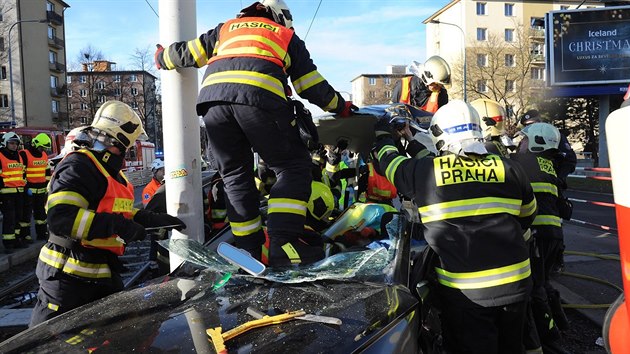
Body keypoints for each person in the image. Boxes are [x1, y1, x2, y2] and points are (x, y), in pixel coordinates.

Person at [154, 0, 354, 266]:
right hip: (259, 100)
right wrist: (342, 107)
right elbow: (310, 85)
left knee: (235, 176)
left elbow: (188, 53)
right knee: (292, 167)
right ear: (281, 16)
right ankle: (283, 244)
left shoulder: (226, 29)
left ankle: (249, 250)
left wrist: (160, 57)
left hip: (212, 104)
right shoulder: (285, 35)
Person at [374, 100, 537, 354]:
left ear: (440, 135)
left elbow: (391, 164)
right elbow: (527, 216)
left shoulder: (426, 172)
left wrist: (384, 135)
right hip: (517, 285)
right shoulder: (509, 168)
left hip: (468, 294)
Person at [29, 101, 186, 327]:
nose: (126, 152)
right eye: (126, 147)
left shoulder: (108, 173)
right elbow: (61, 219)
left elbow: (110, 210)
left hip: (99, 273)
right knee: (54, 342)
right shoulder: (79, 166)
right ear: (117, 141)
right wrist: (118, 226)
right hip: (67, 278)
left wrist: (144, 218)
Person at [512, 123, 569, 350]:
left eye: (524, 140)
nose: (520, 144)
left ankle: (550, 339)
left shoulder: (522, 161)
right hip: (554, 235)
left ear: (537, 142)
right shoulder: (549, 164)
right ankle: (561, 324)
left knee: (535, 287)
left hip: (537, 234)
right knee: (543, 282)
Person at [519, 109, 576, 182]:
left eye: (531, 124)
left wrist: (560, 178)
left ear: (539, 122)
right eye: (526, 125)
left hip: (552, 183)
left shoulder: (554, 136)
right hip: (528, 184)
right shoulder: (525, 140)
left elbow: (569, 159)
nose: (528, 127)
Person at [19, 133, 52, 243]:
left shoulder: (44, 155)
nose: (43, 150)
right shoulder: (24, 154)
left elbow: (47, 172)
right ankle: (25, 235)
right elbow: (21, 173)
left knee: (41, 215)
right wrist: (25, 187)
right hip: (29, 190)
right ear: (35, 144)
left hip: (41, 190)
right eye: (41, 147)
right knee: (26, 214)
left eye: (44, 148)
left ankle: (41, 233)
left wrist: (47, 185)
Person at [0, 132, 26, 253]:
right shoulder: (1, 155)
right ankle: (8, 243)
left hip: (19, 192)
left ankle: (16, 240)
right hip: (6, 193)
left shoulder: (18, 156)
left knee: (18, 217)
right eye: (11, 143)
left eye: (16, 143)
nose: (14, 145)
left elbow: (22, 174)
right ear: (5, 143)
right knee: (9, 218)